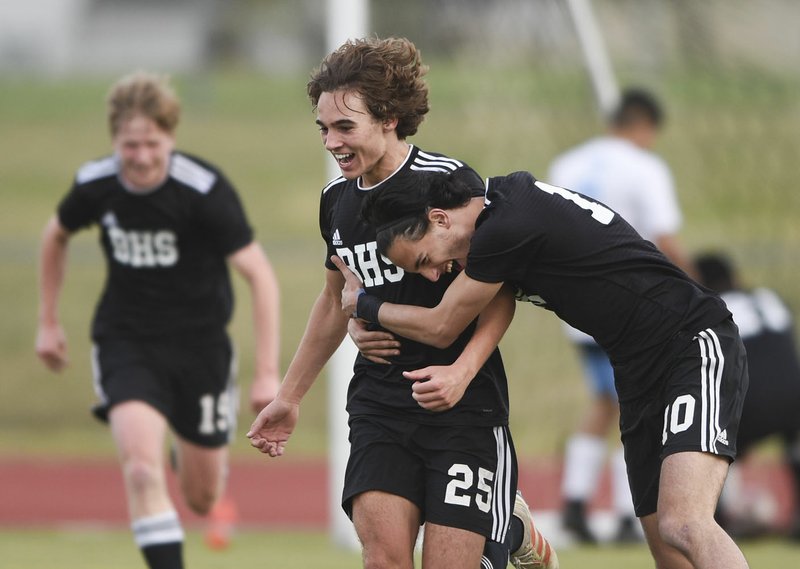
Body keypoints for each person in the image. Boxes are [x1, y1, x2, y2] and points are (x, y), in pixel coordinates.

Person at [335, 170, 750, 569]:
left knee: (684, 523)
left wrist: (363, 305)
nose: (432, 273)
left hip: (691, 344)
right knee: (667, 545)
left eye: (425, 258)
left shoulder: (504, 228)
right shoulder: (501, 211)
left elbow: (443, 325)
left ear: (440, 218)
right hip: (636, 372)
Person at [247, 37, 557, 569]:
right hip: (380, 404)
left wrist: (462, 371)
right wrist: (290, 395)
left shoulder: (448, 184)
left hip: (463, 406)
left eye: (345, 127)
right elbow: (333, 298)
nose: (331, 142)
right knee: (383, 559)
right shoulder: (336, 202)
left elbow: (498, 294)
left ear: (389, 118)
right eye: (323, 128)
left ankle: (509, 528)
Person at [35, 71, 281, 569]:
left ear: (170, 136)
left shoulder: (203, 189)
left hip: (201, 349)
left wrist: (267, 373)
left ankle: (190, 456)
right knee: (142, 473)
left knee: (202, 499)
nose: (142, 156)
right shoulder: (96, 184)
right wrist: (48, 320)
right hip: (127, 342)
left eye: (152, 143)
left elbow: (260, 275)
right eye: (130, 144)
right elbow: (55, 233)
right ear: (114, 140)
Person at [547, 88, 694, 543]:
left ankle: (574, 502)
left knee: (605, 401)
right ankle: (634, 513)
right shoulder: (644, 167)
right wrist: (695, 287)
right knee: (642, 403)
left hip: (573, 304)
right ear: (644, 126)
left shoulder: (566, 163)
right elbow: (665, 238)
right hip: (629, 307)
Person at [694, 252, 800, 540]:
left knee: (713, 448)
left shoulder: (712, 308)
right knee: (793, 441)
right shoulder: (768, 297)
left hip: (750, 401)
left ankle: (717, 520)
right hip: (795, 395)